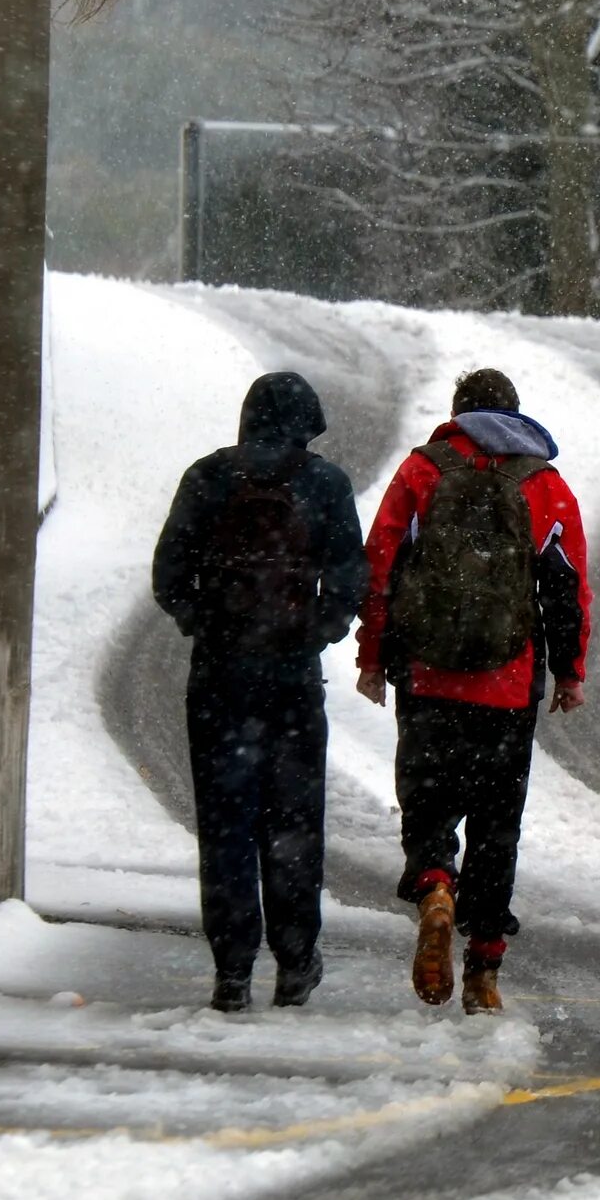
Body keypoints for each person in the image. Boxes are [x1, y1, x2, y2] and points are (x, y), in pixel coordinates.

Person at [355, 367, 590, 1015]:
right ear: (515, 416)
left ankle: (434, 885)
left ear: (458, 413)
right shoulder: (545, 485)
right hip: (507, 686)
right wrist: (569, 671)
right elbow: (568, 588)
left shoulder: (421, 471)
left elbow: (380, 565)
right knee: (496, 823)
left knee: (427, 802)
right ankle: (485, 963)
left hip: (430, 678)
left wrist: (373, 657)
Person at [152, 371, 367, 1012]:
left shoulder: (208, 477)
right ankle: (296, 962)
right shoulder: (324, 483)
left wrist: (206, 623)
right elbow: (350, 574)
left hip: (218, 680)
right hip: (292, 681)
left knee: (226, 826)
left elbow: (168, 575)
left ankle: (233, 971)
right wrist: (316, 631)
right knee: (294, 823)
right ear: (307, 421)